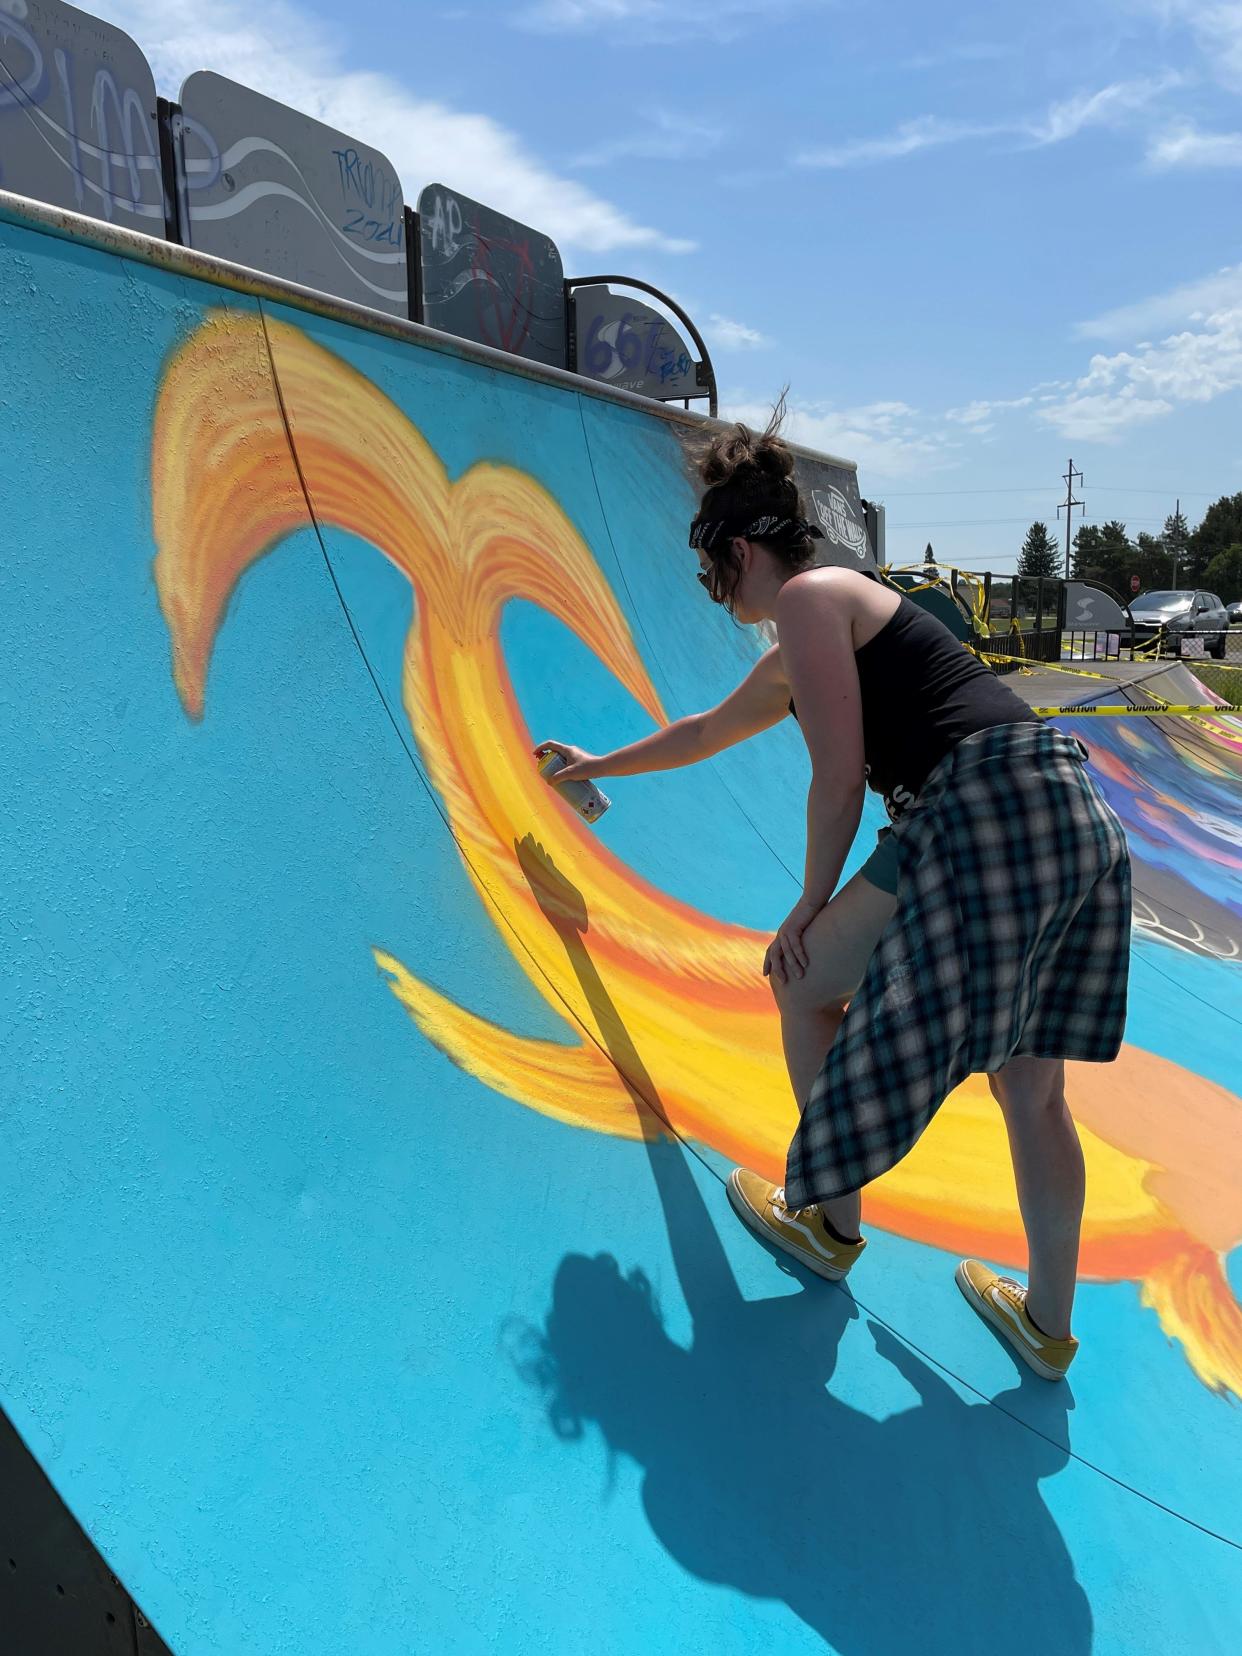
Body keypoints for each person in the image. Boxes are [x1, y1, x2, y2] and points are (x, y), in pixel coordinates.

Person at [537, 411, 1131, 1381]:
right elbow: (701, 733)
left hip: (980, 808)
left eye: (709, 574)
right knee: (1032, 1085)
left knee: (801, 980)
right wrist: (594, 763)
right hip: (1068, 812)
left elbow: (841, 775)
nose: (710, 594)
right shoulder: (834, 618)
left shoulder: (811, 601)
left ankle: (830, 1221)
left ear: (736, 550)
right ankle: (1048, 1327)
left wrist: (808, 908)